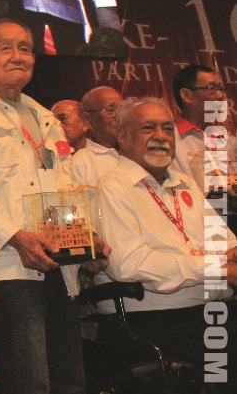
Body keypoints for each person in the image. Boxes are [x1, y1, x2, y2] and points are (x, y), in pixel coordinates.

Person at [0, 18, 109, 394]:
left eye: (25, 48)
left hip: (59, 268)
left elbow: (64, 187)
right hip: (7, 268)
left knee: (71, 383)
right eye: (5, 48)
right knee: (28, 385)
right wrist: (16, 237)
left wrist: (84, 241)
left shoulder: (45, 116)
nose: (18, 56)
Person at [100, 97, 237, 393]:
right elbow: (128, 264)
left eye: (167, 128)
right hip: (156, 319)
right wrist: (216, 267)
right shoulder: (112, 185)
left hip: (212, 308)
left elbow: (227, 243)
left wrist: (230, 257)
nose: (161, 136)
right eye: (148, 128)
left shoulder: (185, 183)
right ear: (123, 137)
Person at [172, 64, 237, 196]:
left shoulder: (229, 142)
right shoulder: (171, 139)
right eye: (211, 88)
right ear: (186, 95)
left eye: (221, 89)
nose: (221, 95)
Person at [72, 86, 123, 187]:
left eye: (122, 109)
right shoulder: (82, 162)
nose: (119, 115)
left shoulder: (135, 153)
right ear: (88, 120)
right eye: (110, 110)